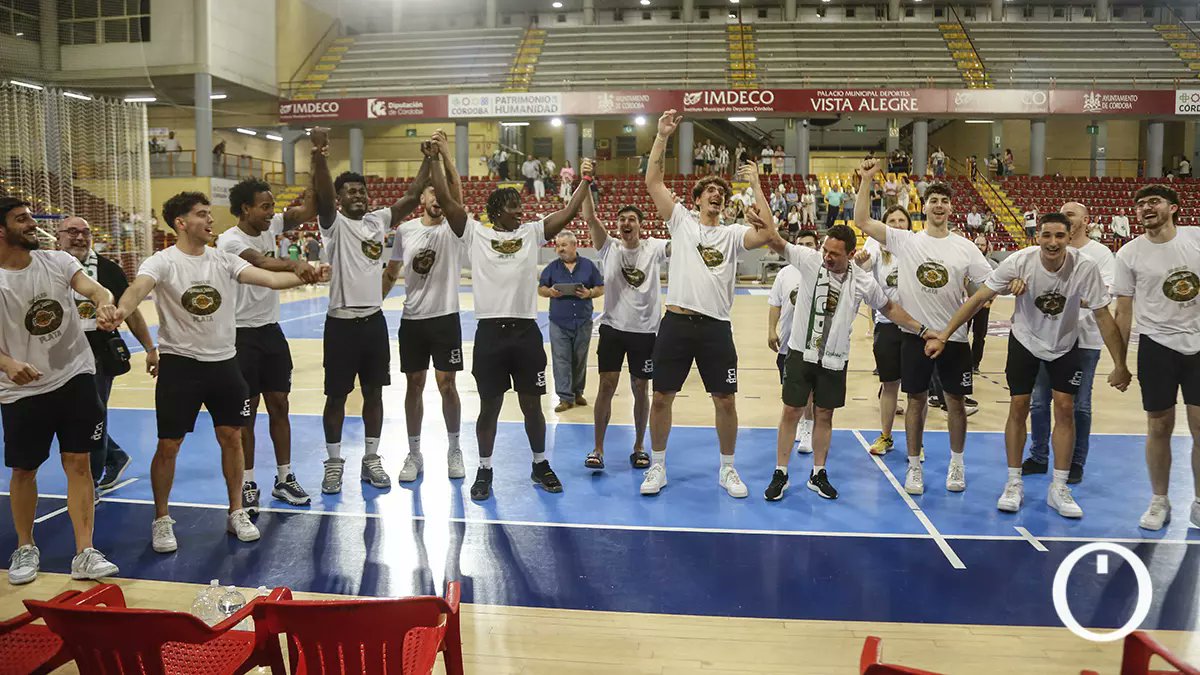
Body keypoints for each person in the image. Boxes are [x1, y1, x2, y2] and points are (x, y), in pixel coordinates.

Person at [114, 191, 326, 553]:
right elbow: (137, 290)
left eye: (209, 214)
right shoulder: (162, 262)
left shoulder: (223, 259)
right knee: (169, 445)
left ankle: (236, 512)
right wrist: (120, 312)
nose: (210, 220)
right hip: (180, 365)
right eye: (202, 214)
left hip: (224, 363)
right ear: (181, 223)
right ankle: (162, 519)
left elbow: (269, 280)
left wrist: (310, 276)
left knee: (232, 438)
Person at [927, 212, 1131, 518]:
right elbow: (979, 297)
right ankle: (1013, 482)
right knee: (1019, 406)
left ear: (1068, 238)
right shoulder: (1019, 262)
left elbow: (1103, 315)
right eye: (1046, 236)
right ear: (1037, 238)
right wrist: (944, 333)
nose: (1052, 242)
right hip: (1025, 341)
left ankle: (1059, 487)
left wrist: (1120, 364)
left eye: (1059, 236)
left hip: (1064, 343)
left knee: (1065, 409)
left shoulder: (1085, 267)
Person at [640, 111, 778, 498]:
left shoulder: (733, 234)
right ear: (698, 198)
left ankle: (728, 469)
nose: (717, 195)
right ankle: (658, 466)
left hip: (716, 327)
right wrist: (662, 136)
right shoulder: (681, 221)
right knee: (662, 396)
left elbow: (769, 233)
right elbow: (653, 180)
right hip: (677, 323)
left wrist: (756, 185)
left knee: (725, 399)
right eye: (710, 192)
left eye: (722, 192)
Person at [448, 157, 595, 500]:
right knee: (489, 407)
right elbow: (449, 202)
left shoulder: (532, 233)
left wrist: (586, 180)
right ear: (497, 210)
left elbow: (569, 213)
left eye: (521, 206)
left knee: (533, 405)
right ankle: (484, 469)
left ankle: (540, 463)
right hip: (490, 334)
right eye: (514, 207)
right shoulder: (476, 233)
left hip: (525, 333)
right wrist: (439, 159)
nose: (521, 212)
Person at [762, 219, 932, 501]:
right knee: (791, 411)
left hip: (834, 358)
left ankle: (818, 473)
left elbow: (889, 308)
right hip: (801, 352)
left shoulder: (863, 281)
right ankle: (780, 472)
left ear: (851, 255)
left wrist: (922, 329)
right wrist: (756, 188)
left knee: (825, 415)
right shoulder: (809, 261)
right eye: (825, 250)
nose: (827, 257)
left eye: (834, 254)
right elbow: (777, 241)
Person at [1, 198, 123, 584]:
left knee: (79, 463)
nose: (32, 223)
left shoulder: (57, 262)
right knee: (24, 469)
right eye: (22, 219)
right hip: (21, 389)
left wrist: (104, 304)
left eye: (31, 217)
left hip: (74, 375)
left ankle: (84, 552)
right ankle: (25, 546)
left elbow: (94, 288)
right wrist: (7, 364)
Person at [854, 159, 994, 496]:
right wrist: (867, 180)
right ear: (925, 206)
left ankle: (956, 463)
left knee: (955, 403)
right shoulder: (906, 241)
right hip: (915, 336)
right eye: (934, 200)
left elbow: (986, 289)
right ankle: (914, 467)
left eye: (945, 201)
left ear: (951, 207)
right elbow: (861, 220)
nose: (940, 205)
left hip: (955, 339)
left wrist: (984, 297)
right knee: (915, 401)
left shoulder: (966, 247)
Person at [310, 127, 427, 495]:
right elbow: (323, 196)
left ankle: (371, 458)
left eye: (361, 190)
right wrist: (320, 153)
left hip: (373, 323)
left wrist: (428, 158)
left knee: (374, 393)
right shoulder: (333, 224)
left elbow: (411, 197)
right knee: (337, 396)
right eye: (350, 192)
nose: (357, 196)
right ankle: (333, 462)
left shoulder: (378, 221)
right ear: (340, 199)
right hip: (341, 324)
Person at [216, 178, 320, 515]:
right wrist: (295, 264)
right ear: (245, 208)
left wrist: (316, 163)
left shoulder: (270, 224)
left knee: (280, 405)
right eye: (264, 206)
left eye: (272, 206)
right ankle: (247, 481)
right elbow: (259, 262)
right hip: (241, 337)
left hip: (271, 333)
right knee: (247, 413)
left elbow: (309, 210)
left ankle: (284, 478)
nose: (271, 213)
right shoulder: (229, 241)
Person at [382, 132, 469, 485]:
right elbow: (391, 272)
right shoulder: (405, 230)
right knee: (413, 386)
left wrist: (445, 155)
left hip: (445, 318)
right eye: (431, 191)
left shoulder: (453, 227)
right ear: (423, 198)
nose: (437, 197)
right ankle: (414, 452)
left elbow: (457, 196)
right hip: (413, 320)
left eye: (441, 192)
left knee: (447, 385)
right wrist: (372, 302)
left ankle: (454, 448)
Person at [1111, 184, 1200, 530]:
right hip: (1157, 346)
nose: (1145, 207)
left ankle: (1198, 501)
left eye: (1154, 201)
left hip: (1198, 346)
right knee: (1159, 426)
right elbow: (1123, 311)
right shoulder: (1129, 254)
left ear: (1173, 207)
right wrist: (1120, 363)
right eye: (1140, 204)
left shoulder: (1195, 240)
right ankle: (1159, 500)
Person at [54, 217, 156, 489]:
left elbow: (132, 314)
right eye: (72, 232)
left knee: (92, 416)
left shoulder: (108, 269)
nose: (79, 237)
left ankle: (93, 482)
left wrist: (149, 348)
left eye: (85, 232)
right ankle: (116, 455)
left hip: (97, 355)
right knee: (65, 416)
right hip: (57, 355)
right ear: (57, 236)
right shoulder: (46, 267)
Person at [1021, 202, 1114, 484]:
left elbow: (1104, 295)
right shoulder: (1045, 252)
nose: (1066, 219)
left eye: (1071, 215)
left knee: (1079, 406)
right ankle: (1039, 456)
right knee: (1039, 403)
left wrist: (1068, 294)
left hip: (1084, 339)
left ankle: (1075, 461)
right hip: (1046, 337)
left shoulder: (1100, 254)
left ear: (1086, 220)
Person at [584, 198, 669, 470]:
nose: (626, 223)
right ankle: (597, 448)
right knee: (605, 387)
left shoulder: (653, 247)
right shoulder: (609, 248)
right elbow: (590, 217)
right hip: (612, 329)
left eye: (632, 219)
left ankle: (639, 446)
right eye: (622, 219)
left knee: (641, 388)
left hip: (644, 332)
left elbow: (680, 246)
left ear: (641, 225)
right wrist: (586, 184)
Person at [859, 206, 914, 456]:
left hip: (916, 327)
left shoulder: (918, 243)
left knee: (916, 390)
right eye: (892, 220)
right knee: (889, 385)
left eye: (902, 220)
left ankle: (917, 441)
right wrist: (861, 261)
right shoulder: (875, 244)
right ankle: (886, 436)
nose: (898, 224)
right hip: (887, 324)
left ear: (909, 224)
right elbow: (864, 264)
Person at [539, 230, 604, 412]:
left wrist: (589, 293)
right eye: (558, 246)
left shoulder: (588, 266)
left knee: (579, 359)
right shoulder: (552, 268)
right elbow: (541, 288)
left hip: (582, 321)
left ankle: (577, 392)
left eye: (563, 245)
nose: (560, 249)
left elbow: (600, 287)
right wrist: (550, 292)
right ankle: (564, 397)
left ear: (574, 245)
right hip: (559, 322)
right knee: (561, 360)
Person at [769, 230, 819, 455]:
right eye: (801, 244)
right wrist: (771, 329)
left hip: (812, 344)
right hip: (787, 342)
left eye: (810, 244)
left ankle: (808, 428)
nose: (805, 247)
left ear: (817, 246)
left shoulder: (822, 271)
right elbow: (775, 304)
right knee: (791, 391)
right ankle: (800, 423)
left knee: (808, 392)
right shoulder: (784, 274)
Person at [969, 235, 999, 374]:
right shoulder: (966, 262)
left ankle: (975, 363)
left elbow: (999, 284)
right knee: (960, 335)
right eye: (977, 244)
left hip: (982, 306)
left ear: (987, 247)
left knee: (979, 336)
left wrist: (990, 300)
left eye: (982, 245)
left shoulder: (992, 265)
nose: (980, 247)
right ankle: (961, 362)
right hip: (966, 305)